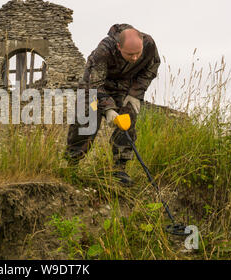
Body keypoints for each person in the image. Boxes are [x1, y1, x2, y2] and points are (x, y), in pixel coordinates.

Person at [65, 23, 161, 186]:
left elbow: (151, 68)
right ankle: (71, 165)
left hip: (124, 88)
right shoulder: (104, 50)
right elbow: (95, 84)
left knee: (127, 120)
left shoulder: (149, 44)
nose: (135, 58)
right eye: (130, 54)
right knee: (88, 120)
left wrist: (135, 93)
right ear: (118, 46)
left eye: (138, 53)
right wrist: (108, 108)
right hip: (93, 88)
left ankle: (119, 169)